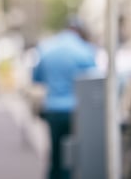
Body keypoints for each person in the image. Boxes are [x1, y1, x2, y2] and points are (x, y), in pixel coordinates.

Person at [32, 17, 97, 179]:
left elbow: (36, 78)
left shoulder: (47, 48)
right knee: (74, 157)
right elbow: (93, 80)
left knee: (56, 155)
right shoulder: (85, 50)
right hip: (76, 111)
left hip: (53, 109)